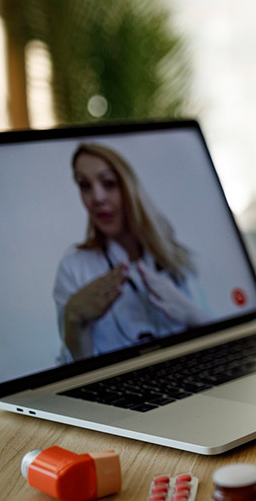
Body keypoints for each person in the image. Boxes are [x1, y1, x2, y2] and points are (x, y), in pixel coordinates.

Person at [53, 143, 206, 361]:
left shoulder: (174, 256)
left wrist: (190, 312)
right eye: (85, 185)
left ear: (130, 187)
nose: (97, 198)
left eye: (108, 183)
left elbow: (217, 336)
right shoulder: (74, 268)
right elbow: (76, 374)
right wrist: (74, 319)